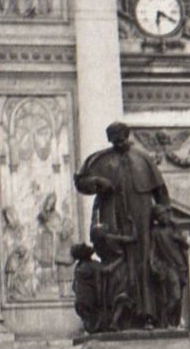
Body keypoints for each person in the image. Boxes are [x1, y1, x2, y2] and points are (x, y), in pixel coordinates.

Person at [73, 121, 173, 327]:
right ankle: (116, 314)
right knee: (115, 260)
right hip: (112, 214)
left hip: (141, 217)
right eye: (113, 138)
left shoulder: (143, 159)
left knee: (142, 262)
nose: (117, 141)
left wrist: (164, 216)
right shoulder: (101, 159)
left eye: (120, 137)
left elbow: (161, 193)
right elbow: (81, 181)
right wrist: (98, 183)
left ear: (127, 135)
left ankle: (146, 313)